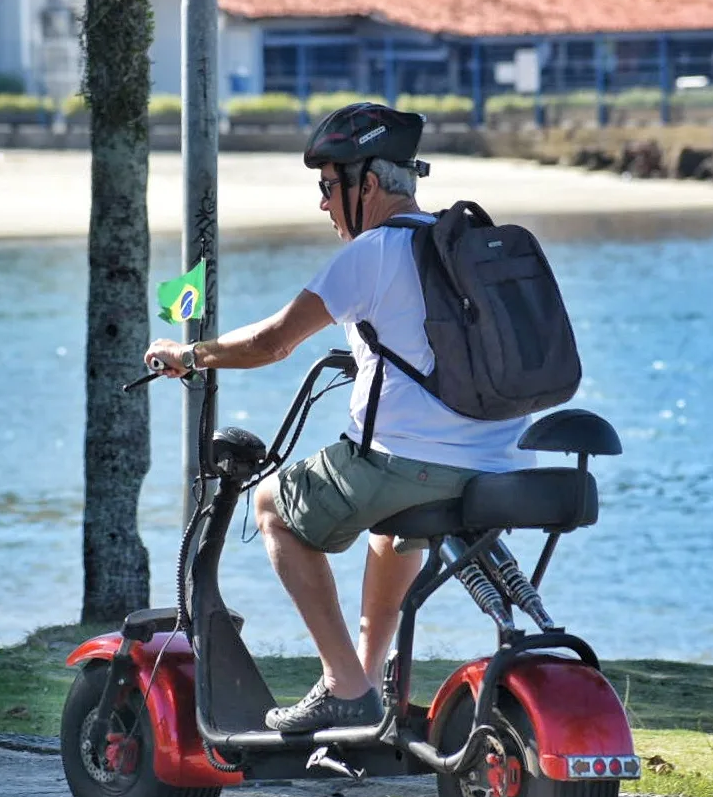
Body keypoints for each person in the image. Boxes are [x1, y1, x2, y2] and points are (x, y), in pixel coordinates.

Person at [143, 103, 536, 734]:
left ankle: (344, 685)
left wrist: (188, 355)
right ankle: (372, 681)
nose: (324, 205)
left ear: (368, 186)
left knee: (272, 504)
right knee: (388, 528)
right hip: (498, 462)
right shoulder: (454, 246)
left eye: (329, 187)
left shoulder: (374, 252)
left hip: (409, 465)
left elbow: (272, 342)